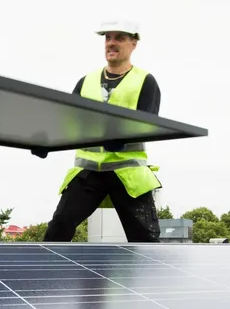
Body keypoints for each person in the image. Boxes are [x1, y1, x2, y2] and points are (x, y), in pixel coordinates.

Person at [44, 21, 164, 243]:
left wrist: (123, 139)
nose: (111, 43)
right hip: (88, 173)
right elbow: (68, 122)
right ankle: (48, 275)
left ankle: (147, 278)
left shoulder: (145, 81)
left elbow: (149, 125)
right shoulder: (86, 81)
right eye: (108, 38)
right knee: (59, 227)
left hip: (127, 173)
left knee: (146, 239)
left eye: (119, 38)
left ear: (133, 43)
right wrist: (46, 141)